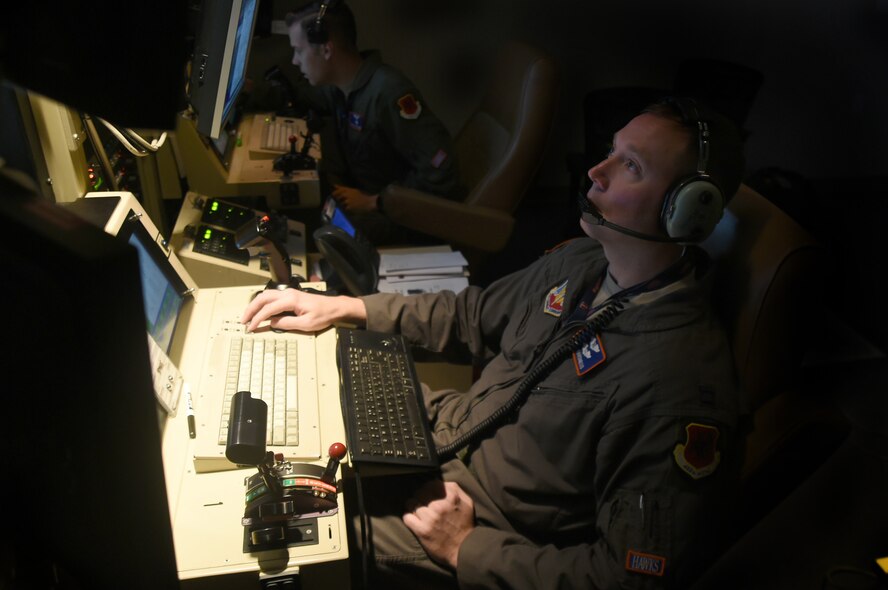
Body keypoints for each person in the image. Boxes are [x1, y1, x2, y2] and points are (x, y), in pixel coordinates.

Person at [241, 97, 747, 589]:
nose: (597, 170)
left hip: (481, 527)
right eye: (611, 150)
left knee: (276, 540)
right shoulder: (582, 261)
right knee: (305, 396)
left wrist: (469, 549)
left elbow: (630, 576)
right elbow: (474, 314)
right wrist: (351, 308)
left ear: (687, 212)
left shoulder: (676, 387)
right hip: (445, 435)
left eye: (630, 165)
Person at [284, 1, 463, 245]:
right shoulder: (342, 87)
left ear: (326, 50)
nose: (295, 60)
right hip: (369, 199)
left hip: (404, 219)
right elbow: (302, 95)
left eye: (299, 50)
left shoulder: (388, 94)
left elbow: (442, 169)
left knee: (307, 234)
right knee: (298, 213)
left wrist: (376, 201)